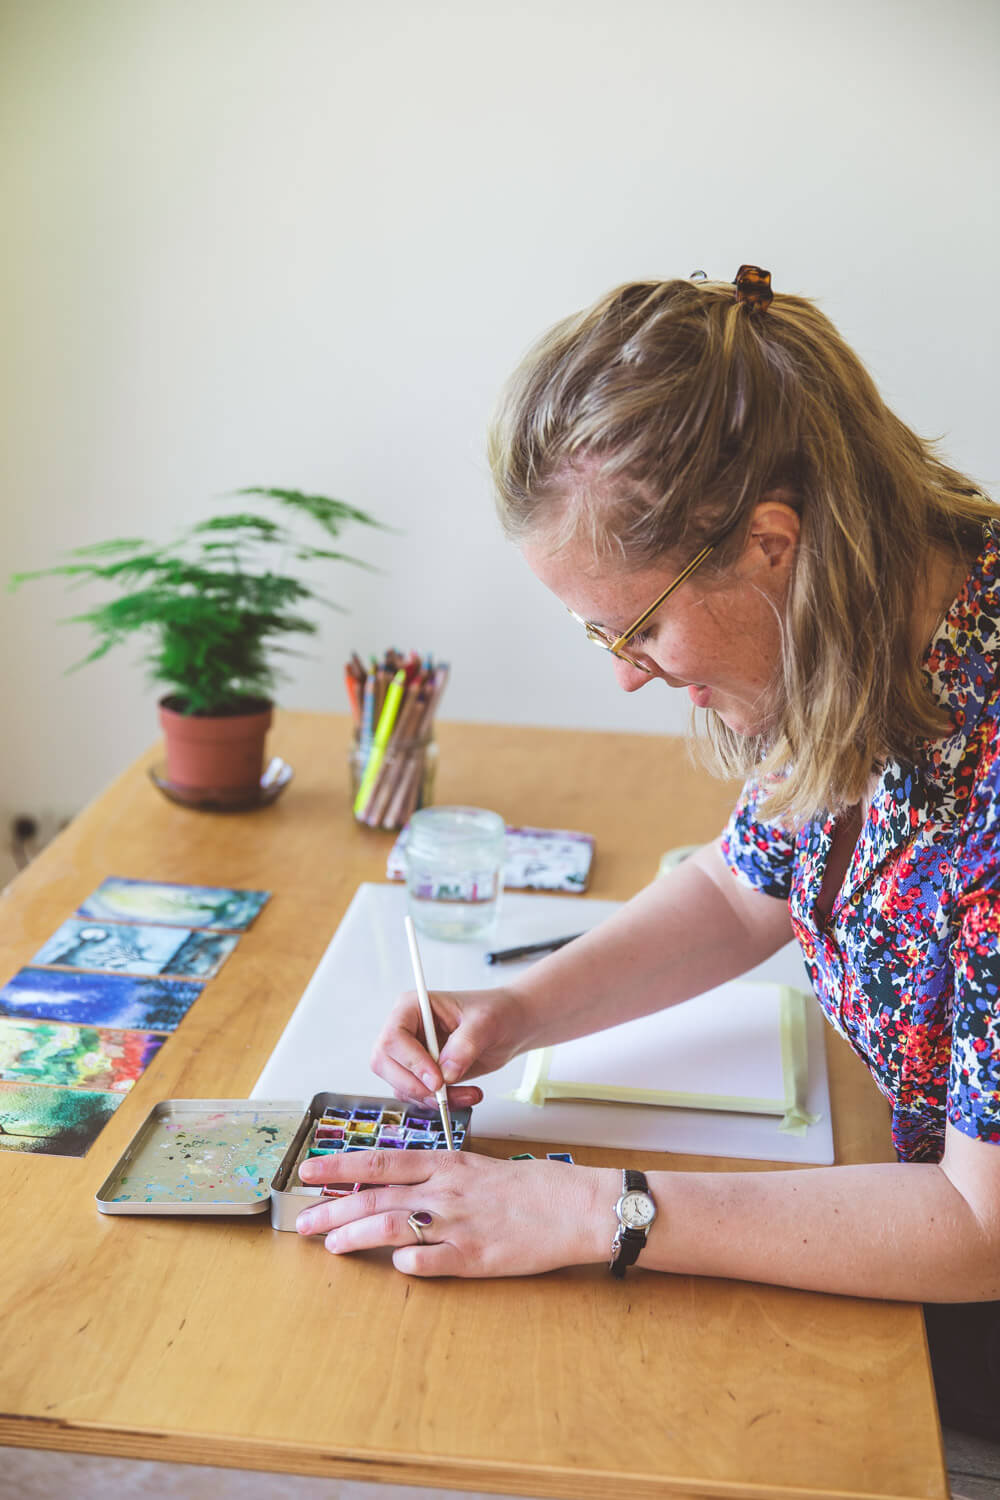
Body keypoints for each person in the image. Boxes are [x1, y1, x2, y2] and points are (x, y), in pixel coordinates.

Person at [296, 267, 1000, 1438]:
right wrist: (517, 1011)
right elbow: (740, 890)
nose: (624, 671)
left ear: (769, 543)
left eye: (633, 627)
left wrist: (591, 1213)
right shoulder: (871, 631)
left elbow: (981, 1231)